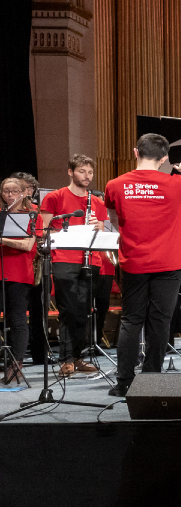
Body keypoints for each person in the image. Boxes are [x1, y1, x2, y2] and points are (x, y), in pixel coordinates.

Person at [104, 133, 181, 396]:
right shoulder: (175, 182)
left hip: (134, 261)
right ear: (164, 158)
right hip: (169, 262)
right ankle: (151, 380)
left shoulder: (115, 184)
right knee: (160, 321)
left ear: (135, 152)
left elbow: (114, 218)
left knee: (131, 321)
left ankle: (124, 383)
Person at [40, 154, 106, 376]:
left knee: (83, 311)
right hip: (64, 259)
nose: (87, 176)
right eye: (82, 171)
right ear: (70, 172)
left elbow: (102, 232)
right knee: (68, 311)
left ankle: (77, 357)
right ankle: (66, 359)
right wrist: (73, 232)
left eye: (90, 172)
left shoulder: (97, 202)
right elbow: (43, 231)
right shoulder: (54, 197)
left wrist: (97, 227)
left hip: (91, 259)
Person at [0, 177, 39, 379]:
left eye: (15, 191)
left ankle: (15, 364)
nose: (10, 195)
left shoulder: (32, 215)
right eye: (6, 191)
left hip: (18, 273)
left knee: (16, 320)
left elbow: (26, 245)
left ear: (24, 192)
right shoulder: (1, 215)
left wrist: (2, 239)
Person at [11, 172, 48, 365]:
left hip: (33, 265)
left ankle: (39, 355)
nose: (27, 191)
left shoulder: (35, 211)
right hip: (14, 267)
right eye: (24, 188)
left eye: (30, 188)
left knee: (37, 311)